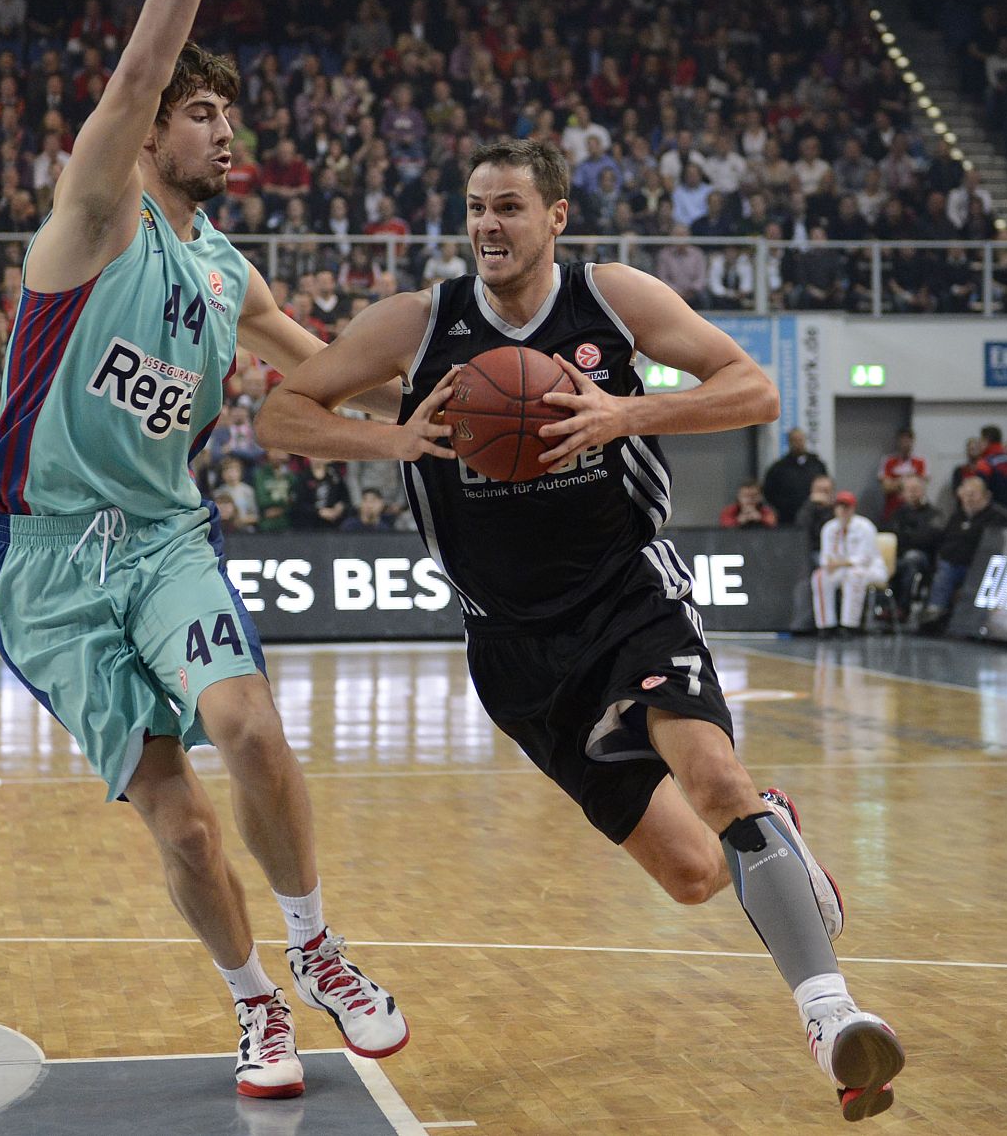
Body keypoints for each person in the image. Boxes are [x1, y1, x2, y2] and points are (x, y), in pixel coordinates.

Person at [256, 137, 904, 1121]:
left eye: (508, 206)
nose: (488, 226)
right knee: (692, 873)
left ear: (556, 216)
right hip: (513, 645)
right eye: (475, 207)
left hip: (628, 592)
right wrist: (386, 436)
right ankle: (770, 826)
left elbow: (753, 389)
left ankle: (830, 1015)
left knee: (713, 778)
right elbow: (284, 415)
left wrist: (621, 413)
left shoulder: (611, 300)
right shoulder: (418, 322)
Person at [0, 0, 406, 1102]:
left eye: (230, 116)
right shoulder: (96, 216)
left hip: (164, 539)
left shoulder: (228, 273)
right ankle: (254, 1000)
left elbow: (320, 364)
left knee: (252, 729)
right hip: (44, 566)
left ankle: (319, 944)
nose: (225, 129)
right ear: (157, 129)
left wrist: (425, 419)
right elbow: (137, 65)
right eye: (202, 113)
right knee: (184, 819)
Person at [917, 476, 1007, 631]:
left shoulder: (998, 517)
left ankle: (970, 622)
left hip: (981, 565)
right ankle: (934, 614)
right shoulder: (957, 516)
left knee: (951, 573)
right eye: (966, 494)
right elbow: (944, 539)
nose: (968, 499)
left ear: (986, 495)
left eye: (973, 494)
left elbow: (1000, 545)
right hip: (952, 563)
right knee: (944, 571)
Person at [812, 492, 889, 635]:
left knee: (854, 576)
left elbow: (865, 558)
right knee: (820, 576)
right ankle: (825, 625)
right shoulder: (829, 528)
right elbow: (826, 556)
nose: (843, 510)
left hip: (870, 569)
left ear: (853, 508)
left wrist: (841, 563)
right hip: (841, 569)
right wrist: (830, 565)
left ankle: (849, 625)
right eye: (839, 506)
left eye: (846, 507)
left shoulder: (865, 526)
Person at [887, 476, 941, 620]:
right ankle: (886, 606)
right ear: (902, 493)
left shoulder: (933, 513)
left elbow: (926, 539)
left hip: (925, 558)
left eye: (916, 489)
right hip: (899, 554)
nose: (912, 493)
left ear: (923, 491)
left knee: (911, 560)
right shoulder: (897, 513)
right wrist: (908, 537)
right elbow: (890, 535)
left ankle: (902, 607)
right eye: (908, 490)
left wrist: (905, 537)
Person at [762, 427, 828, 524]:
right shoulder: (778, 468)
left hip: (815, 516)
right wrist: (783, 506)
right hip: (786, 518)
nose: (798, 443)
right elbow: (768, 492)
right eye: (794, 440)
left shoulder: (816, 464)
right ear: (789, 442)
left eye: (800, 439)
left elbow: (826, 485)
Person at [876, 429, 926, 521]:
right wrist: (905, 481)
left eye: (908, 440)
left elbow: (921, 486)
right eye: (903, 439)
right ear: (898, 441)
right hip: (892, 508)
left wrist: (896, 482)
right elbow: (886, 487)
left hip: (914, 510)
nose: (905, 443)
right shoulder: (888, 461)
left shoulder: (920, 462)